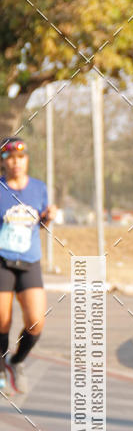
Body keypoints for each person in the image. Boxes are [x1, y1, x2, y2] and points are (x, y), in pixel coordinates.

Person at [0, 137, 56, 395]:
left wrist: (47, 217)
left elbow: (39, 222)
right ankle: (1, 368)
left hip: (29, 261)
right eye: (10, 158)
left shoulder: (38, 188)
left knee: (36, 321)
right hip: (2, 261)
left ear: (27, 160)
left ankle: (16, 360)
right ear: (3, 162)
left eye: (21, 158)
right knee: (2, 320)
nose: (16, 163)